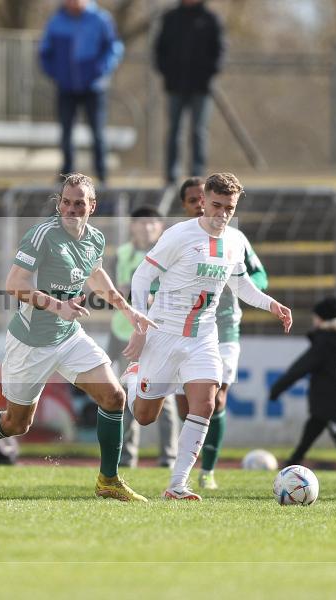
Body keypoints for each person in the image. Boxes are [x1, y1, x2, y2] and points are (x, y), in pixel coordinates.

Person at [0, 172, 156, 502]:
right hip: (30, 342)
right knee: (17, 424)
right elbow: (14, 284)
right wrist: (58, 306)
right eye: (66, 203)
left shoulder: (95, 239)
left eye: (79, 204)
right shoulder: (43, 235)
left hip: (68, 336)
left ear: (92, 206)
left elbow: (96, 274)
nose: (71, 210)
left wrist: (126, 310)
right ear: (59, 204)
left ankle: (108, 479)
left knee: (114, 397)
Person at [122, 172, 292, 500]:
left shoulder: (234, 241)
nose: (222, 214)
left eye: (229, 207)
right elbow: (142, 277)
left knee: (207, 403)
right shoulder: (179, 235)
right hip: (163, 334)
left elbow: (241, 284)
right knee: (145, 417)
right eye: (216, 205)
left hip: (203, 336)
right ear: (203, 202)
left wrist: (272, 305)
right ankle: (132, 378)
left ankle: (177, 485)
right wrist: (140, 327)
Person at [172, 176, 268, 490]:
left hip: (224, 327)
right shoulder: (177, 238)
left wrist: (246, 289)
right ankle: (184, 466)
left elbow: (259, 274)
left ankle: (208, 471)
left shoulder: (235, 238)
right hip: (181, 328)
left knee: (217, 399)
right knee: (186, 406)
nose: (202, 204)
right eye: (194, 200)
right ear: (187, 205)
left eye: (206, 198)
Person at [106, 206, 178, 468]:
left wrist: (150, 298)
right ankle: (127, 458)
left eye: (152, 223)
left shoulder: (167, 254)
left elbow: (173, 292)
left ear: (160, 227)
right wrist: (119, 293)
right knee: (124, 393)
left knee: (164, 395)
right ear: (132, 226)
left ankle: (168, 458)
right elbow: (108, 293)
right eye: (141, 222)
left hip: (158, 333)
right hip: (124, 333)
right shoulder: (120, 255)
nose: (147, 227)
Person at [269, 297, 336, 471]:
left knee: (334, 430)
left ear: (321, 318)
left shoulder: (325, 343)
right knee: (313, 430)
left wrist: (278, 388)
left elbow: (299, 368)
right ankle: (294, 460)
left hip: (327, 399)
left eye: (316, 317)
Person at [39, 0, 124, 183]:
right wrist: (55, 72)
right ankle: (67, 173)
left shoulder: (100, 19)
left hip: (94, 87)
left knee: (97, 131)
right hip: (66, 87)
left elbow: (114, 48)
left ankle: (102, 173)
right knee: (66, 131)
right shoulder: (56, 21)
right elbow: (45, 51)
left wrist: (101, 69)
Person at [154, 0, 226, 185]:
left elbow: (219, 52)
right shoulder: (170, 18)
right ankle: (171, 175)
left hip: (201, 87)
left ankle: (198, 175)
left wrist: (208, 75)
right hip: (175, 85)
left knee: (198, 131)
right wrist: (166, 72)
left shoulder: (211, 19)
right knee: (174, 131)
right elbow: (159, 49)